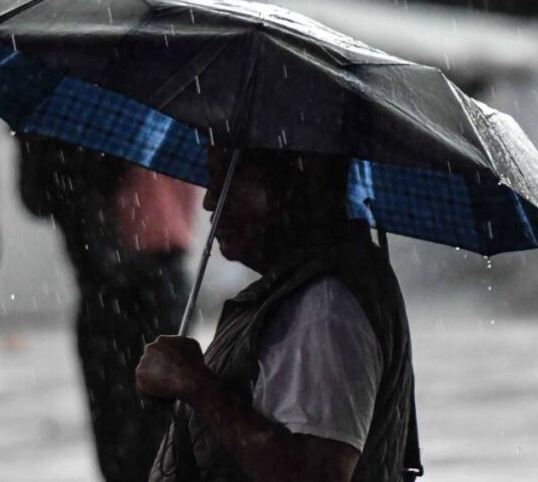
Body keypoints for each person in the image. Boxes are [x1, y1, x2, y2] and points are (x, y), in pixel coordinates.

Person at [136, 147, 421, 482]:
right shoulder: (296, 292)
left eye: (229, 176)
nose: (210, 201)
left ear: (293, 182)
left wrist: (196, 383)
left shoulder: (327, 306)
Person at [17, 136, 197, 482]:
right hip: (105, 279)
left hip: (154, 272)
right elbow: (37, 194)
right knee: (119, 429)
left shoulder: (159, 112)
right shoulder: (81, 127)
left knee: (156, 428)